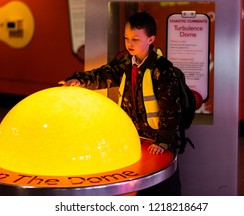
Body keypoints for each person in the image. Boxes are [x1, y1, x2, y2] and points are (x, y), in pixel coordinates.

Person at [60, 12, 182, 195]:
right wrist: (79, 80)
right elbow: (102, 75)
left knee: (161, 189)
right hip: (134, 140)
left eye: (135, 39)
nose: (129, 44)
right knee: (136, 189)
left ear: (151, 39)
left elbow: (171, 110)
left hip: (158, 143)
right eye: (126, 38)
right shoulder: (126, 63)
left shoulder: (163, 70)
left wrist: (163, 141)